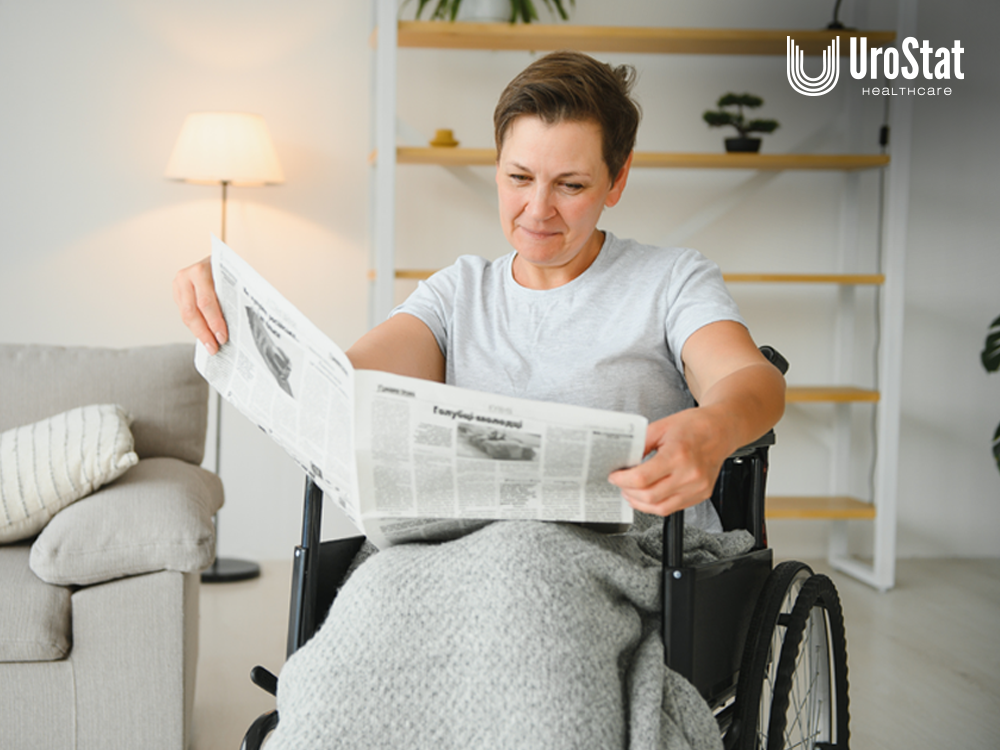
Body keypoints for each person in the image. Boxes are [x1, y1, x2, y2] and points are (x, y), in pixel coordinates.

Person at [174, 51, 784, 749]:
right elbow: (344, 383)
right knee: (369, 603)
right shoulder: (456, 294)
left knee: (527, 580)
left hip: (615, 551)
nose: (537, 209)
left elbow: (750, 381)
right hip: (446, 554)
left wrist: (710, 430)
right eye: (518, 178)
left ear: (618, 180)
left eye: (571, 184)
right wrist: (236, 309)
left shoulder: (669, 281)